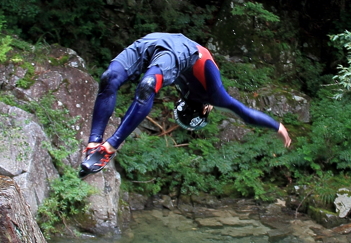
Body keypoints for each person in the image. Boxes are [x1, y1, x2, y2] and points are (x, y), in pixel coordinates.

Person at [79, 32, 292, 176]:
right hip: (183, 49)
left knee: (111, 78)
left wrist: (276, 127)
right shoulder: (215, 97)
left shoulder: (193, 94)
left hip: (157, 40)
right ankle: (107, 146)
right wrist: (277, 126)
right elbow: (244, 113)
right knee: (146, 85)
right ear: (202, 108)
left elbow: (242, 113)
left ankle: (96, 143)